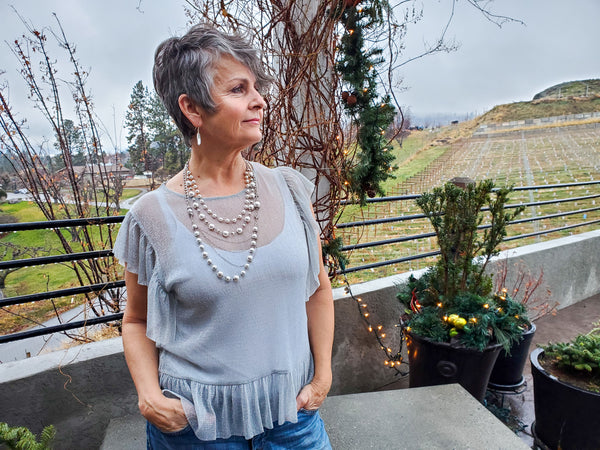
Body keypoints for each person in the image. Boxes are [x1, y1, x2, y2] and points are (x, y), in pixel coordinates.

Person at [114, 24, 335, 449]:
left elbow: (318, 291)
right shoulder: (151, 216)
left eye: (256, 87)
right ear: (193, 109)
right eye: (239, 89)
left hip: (293, 419)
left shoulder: (290, 190)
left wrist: (323, 375)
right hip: (196, 429)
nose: (259, 100)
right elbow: (136, 320)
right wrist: (150, 398)